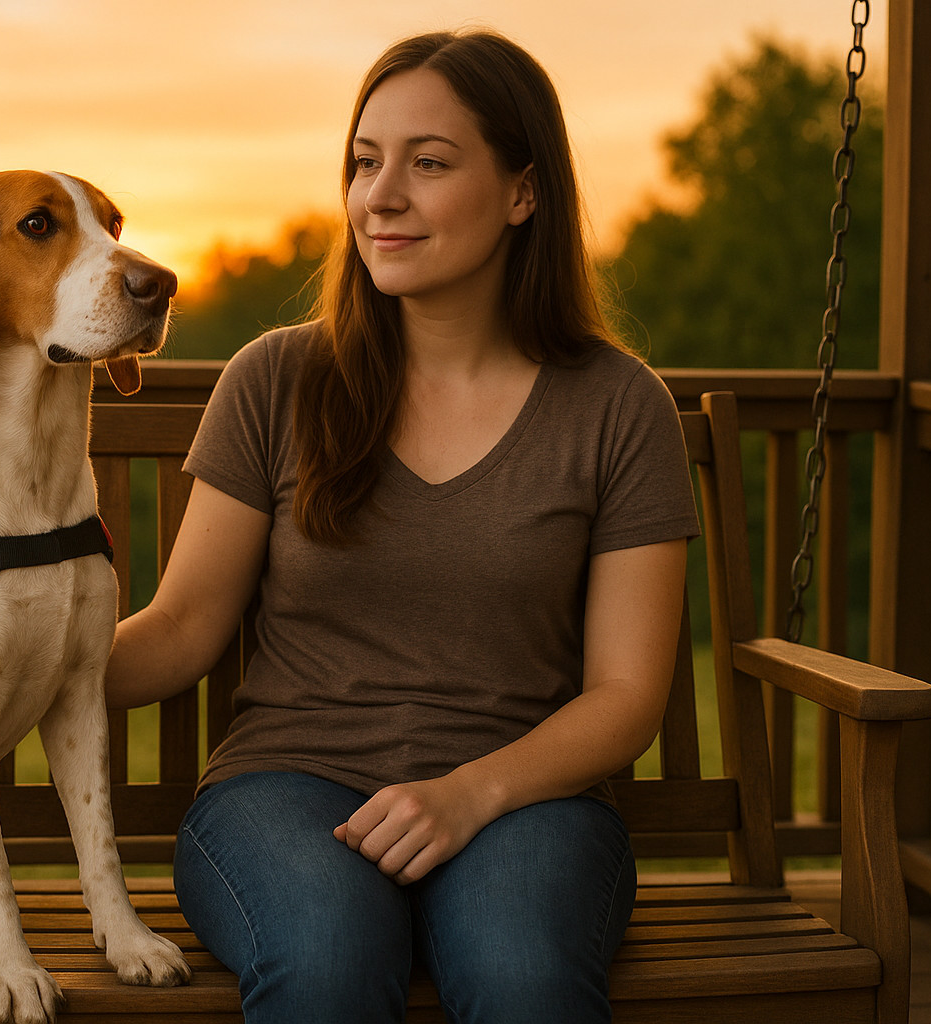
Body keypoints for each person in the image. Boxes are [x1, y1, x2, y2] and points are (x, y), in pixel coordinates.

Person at [104, 29, 699, 1024]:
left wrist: (469, 794)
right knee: (328, 958)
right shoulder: (277, 378)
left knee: (523, 976)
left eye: (428, 163)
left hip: (525, 801)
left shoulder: (616, 406)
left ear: (523, 191)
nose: (380, 196)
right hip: (285, 789)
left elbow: (627, 693)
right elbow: (182, 626)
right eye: (364, 162)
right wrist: (9, 659)